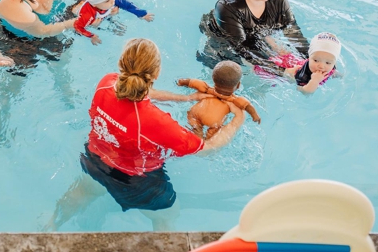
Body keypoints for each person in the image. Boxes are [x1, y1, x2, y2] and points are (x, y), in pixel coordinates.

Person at [45, 38, 246, 231]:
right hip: (133, 181)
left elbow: (138, 92)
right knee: (168, 217)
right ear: (156, 73)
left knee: (83, 192)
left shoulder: (107, 82)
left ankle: (51, 222)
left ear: (122, 65)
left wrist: (186, 98)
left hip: (94, 159)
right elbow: (207, 149)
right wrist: (237, 120)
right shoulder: (156, 122)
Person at [196, 0, 309, 76]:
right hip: (223, 43)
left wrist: (314, 61)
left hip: (255, 37)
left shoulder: (279, 2)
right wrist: (283, 72)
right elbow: (242, 48)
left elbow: (294, 35)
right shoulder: (227, 6)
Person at [177, 61, 261, 140]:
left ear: (213, 79)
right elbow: (247, 105)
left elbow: (193, 82)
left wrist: (182, 82)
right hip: (214, 121)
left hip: (196, 112)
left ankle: (197, 134)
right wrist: (254, 115)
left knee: (195, 125)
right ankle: (204, 142)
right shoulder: (234, 100)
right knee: (212, 135)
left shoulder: (207, 89)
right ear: (238, 85)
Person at [74, 0, 154, 45]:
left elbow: (128, 5)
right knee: (95, 25)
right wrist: (91, 35)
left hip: (102, 14)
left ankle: (112, 25)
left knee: (113, 15)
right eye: (107, 0)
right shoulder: (87, 14)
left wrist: (142, 14)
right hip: (85, 19)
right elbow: (78, 27)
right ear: (94, 4)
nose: (113, 0)